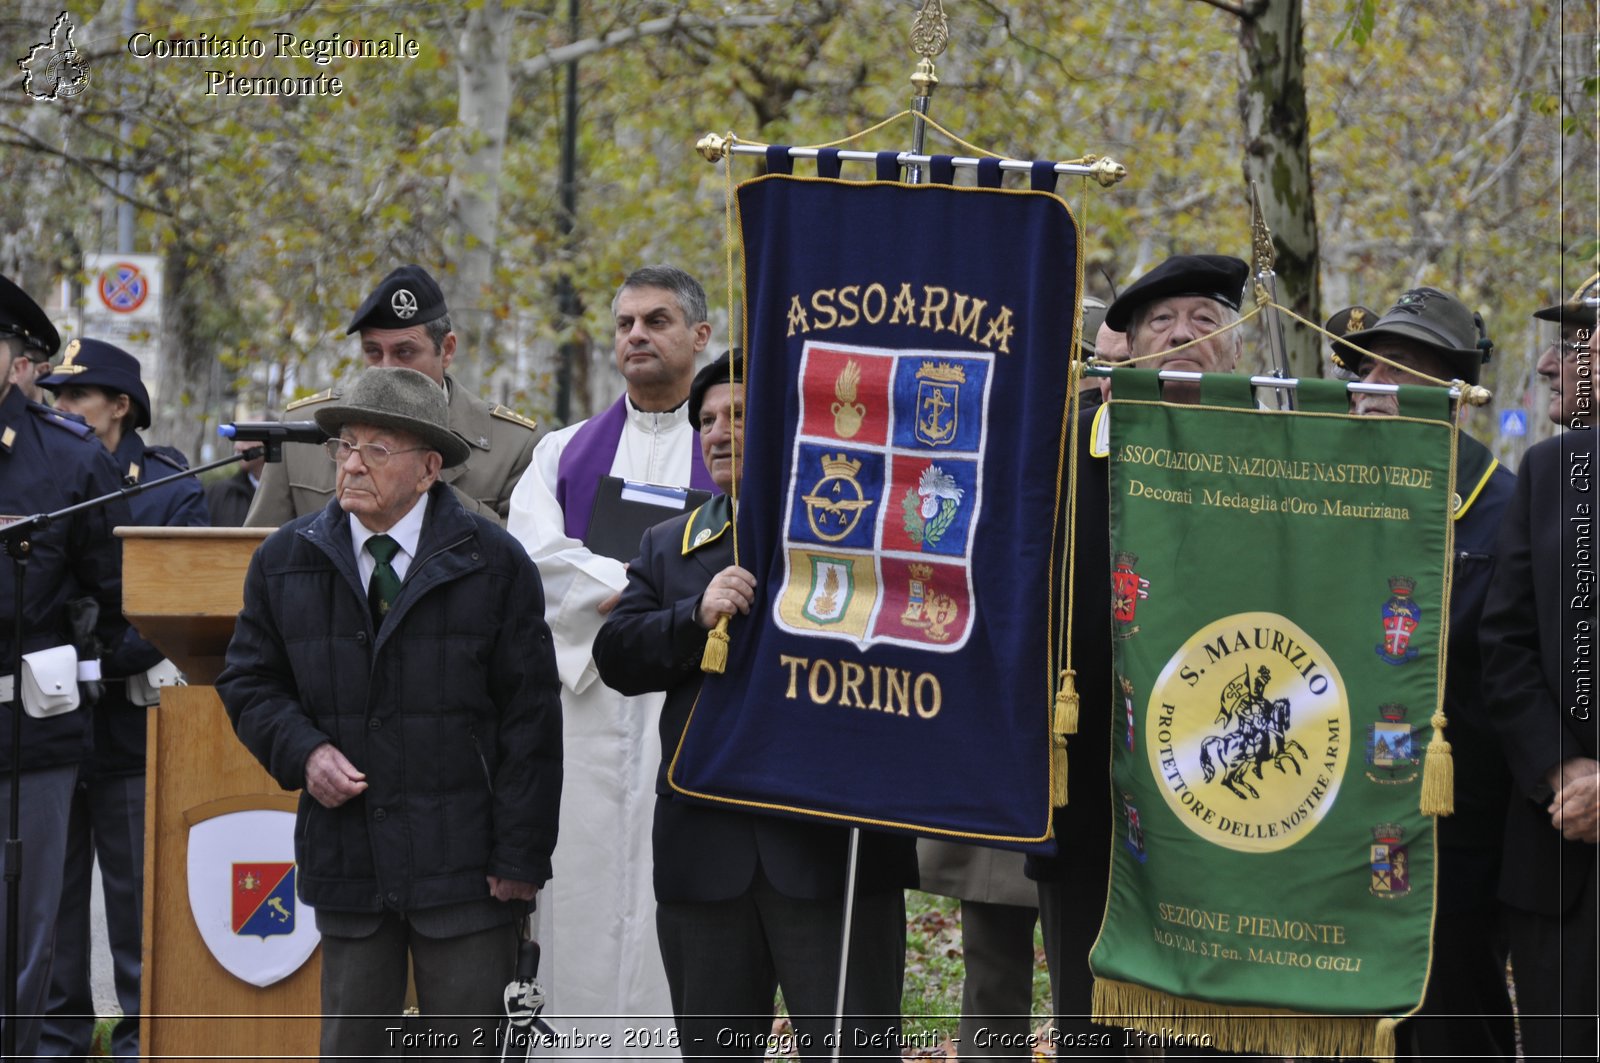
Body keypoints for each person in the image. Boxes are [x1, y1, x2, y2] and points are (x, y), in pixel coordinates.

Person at [217, 366, 562, 1058]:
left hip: (467, 867)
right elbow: (249, 681)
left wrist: (521, 854)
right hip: (352, 858)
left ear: (430, 467)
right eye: (346, 444)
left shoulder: (493, 562)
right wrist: (304, 750)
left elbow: (531, 718)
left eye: (378, 448)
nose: (351, 462)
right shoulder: (285, 560)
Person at [593, 352, 918, 1061]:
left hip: (830, 850)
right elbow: (614, 655)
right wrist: (691, 615)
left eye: (738, 415)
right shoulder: (668, 543)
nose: (718, 432)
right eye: (706, 420)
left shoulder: (858, 532)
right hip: (706, 857)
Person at [1028, 255, 1249, 1052]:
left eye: (1205, 318)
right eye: (1162, 320)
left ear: (1237, 342)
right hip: (1089, 780)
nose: (1183, 334)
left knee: (1211, 1025)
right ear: (1127, 342)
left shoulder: (1282, 450)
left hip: (1227, 783)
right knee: (1092, 1019)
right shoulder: (1058, 454)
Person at [505, 264, 717, 1044]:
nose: (636, 335)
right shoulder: (563, 453)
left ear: (699, 335)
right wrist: (650, 593)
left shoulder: (732, 447)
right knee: (584, 898)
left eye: (656, 321)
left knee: (675, 901)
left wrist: (639, 602)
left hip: (689, 707)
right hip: (586, 706)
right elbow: (532, 561)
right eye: (626, 322)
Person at [1328, 289, 1517, 1058]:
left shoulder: (1503, 508)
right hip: (1339, 816)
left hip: (1456, 829)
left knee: (1451, 1020)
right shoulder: (1324, 490)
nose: (1374, 385)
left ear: (1454, 392)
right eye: (1368, 367)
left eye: (1399, 367)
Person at [34, 339, 209, 1062]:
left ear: (121, 406)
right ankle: (55, 1042)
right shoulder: (45, 472)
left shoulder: (170, 487)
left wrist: (92, 664)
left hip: (131, 727)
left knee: (140, 906)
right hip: (47, 728)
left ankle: (145, 1039)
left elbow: (178, 604)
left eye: (76, 396)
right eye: (55, 397)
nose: (61, 409)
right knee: (54, 908)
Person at [0, 276, 129, 1058]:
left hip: (26, 741)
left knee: (23, 946)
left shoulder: (67, 461)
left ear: (19, 364)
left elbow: (118, 595)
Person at [1479, 275, 1598, 1061]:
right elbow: (1506, 641)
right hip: (1562, 862)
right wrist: (1564, 770)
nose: (1554, 364)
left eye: (1582, 342)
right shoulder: (1551, 470)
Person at [245, 264, 537, 527]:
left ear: (446, 350)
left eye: (404, 352)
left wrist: (427, 486)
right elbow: (251, 556)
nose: (386, 369)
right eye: (373, 352)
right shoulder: (302, 433)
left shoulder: (511, 447)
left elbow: (522, 565)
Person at [206, 438, 266, 526]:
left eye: (246, 438)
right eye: (237, 438)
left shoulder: (287, 492)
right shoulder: (218, 493)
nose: (237, 446)